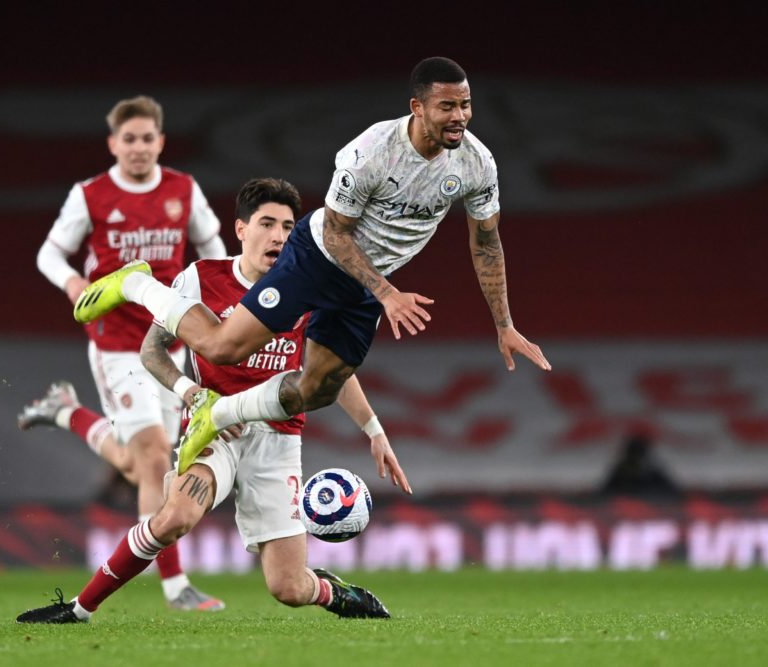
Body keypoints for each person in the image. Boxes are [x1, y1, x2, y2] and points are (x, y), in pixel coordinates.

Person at [73, 57, 552, 475]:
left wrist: (504, 324)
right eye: (447, 107)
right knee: (223, 347)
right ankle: (137, 284)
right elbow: (336, 233)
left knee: (320, 389)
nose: (460, 117)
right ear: (418, 108)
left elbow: (486, 243)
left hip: (367, 284)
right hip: (318, 258)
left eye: (466, 105)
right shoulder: (372, 152)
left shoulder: (476, 164)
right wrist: (385, 293)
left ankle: (216, 415)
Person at [16, 177, 411, 624]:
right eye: (267, 223)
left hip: (277, 442)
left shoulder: (310, 290)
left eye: (287, 226)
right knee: (173, 519)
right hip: (214, 429)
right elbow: (152, 350)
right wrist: (190, 392)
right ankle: (78, 608)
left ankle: (334, 592)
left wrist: (374, 431)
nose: (278, 236)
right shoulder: (203, 278)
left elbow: (331, 374)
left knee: (290, 588)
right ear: (241, 229)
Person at [22, 94, 228, 611]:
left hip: (169, 340)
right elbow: (49, 252)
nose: (138, 148)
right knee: (158, 456)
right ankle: (176, 586)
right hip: (116, 345)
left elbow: (213, 244)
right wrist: (73, 284)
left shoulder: (183, 189)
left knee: (144, 465)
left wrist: (217, 298)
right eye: (128, 139)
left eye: (147, 139)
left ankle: (67, 413)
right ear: (114, 144)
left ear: (160, 142)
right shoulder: (91, 194)